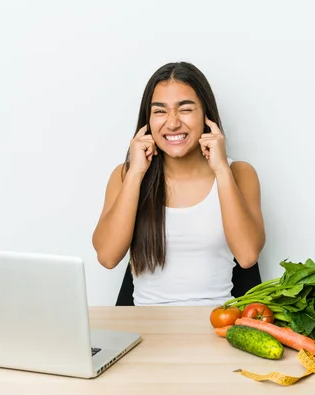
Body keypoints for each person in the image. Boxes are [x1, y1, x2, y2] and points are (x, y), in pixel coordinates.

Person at [92, 62, 265, 306]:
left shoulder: (239, 173)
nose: (172, 123)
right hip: (144, 328)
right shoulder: (125, 175)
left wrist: (220, 170)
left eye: (185, 109)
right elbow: (107, 257)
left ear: (206, 114)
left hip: (216, 325)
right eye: (160, 111)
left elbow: (247, 256)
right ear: (147, 120)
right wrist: (136, 172)